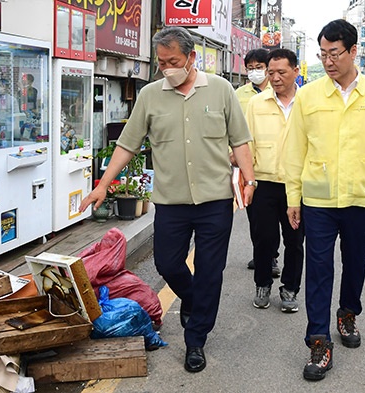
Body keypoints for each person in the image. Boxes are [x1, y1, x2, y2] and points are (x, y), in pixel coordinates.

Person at [79, 26, 256, 373]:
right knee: (167, 264)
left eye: (173, 61)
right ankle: (190, 299)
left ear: (191, 58)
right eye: (161, 63)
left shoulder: (220, 90)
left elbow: (240, 141)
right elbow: (127, 144)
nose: (166, 68)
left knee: (209, 271)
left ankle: (196, 340)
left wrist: (249, 180)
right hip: (171, 202)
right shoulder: (149, 95)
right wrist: (103, 184)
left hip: (215, 200)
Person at [282, 19, 365, 381]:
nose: (328, 60)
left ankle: (347, 314)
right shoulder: (309, 94)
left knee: (356, 264)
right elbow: (295, 148)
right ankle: (318, 340)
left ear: (352, 51)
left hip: (361, 197)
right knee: (318, 269)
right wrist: (293, 197)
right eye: (323, 54)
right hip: (317, 198)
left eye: (335, 53)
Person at [244, 48, 304, 312]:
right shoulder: (257, 104)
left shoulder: (308, 102)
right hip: (264, 182)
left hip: (298, 184)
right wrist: (249, 180)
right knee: (264, 239)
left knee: (294, 240)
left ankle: (290, 288)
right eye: (271, 72)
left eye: (282, 72)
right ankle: (263, 284)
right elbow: (247, 143)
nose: (276, 77)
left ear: (296, 71)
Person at [235, 48, 280, 276]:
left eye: (259, 67)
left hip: (272, 163)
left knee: (273, 216)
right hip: (246, 162)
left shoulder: (278, 90)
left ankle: (270, 255)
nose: (255, 72)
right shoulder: (239, 94)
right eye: (250, 68)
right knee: (254, 214)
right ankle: (260, 251)